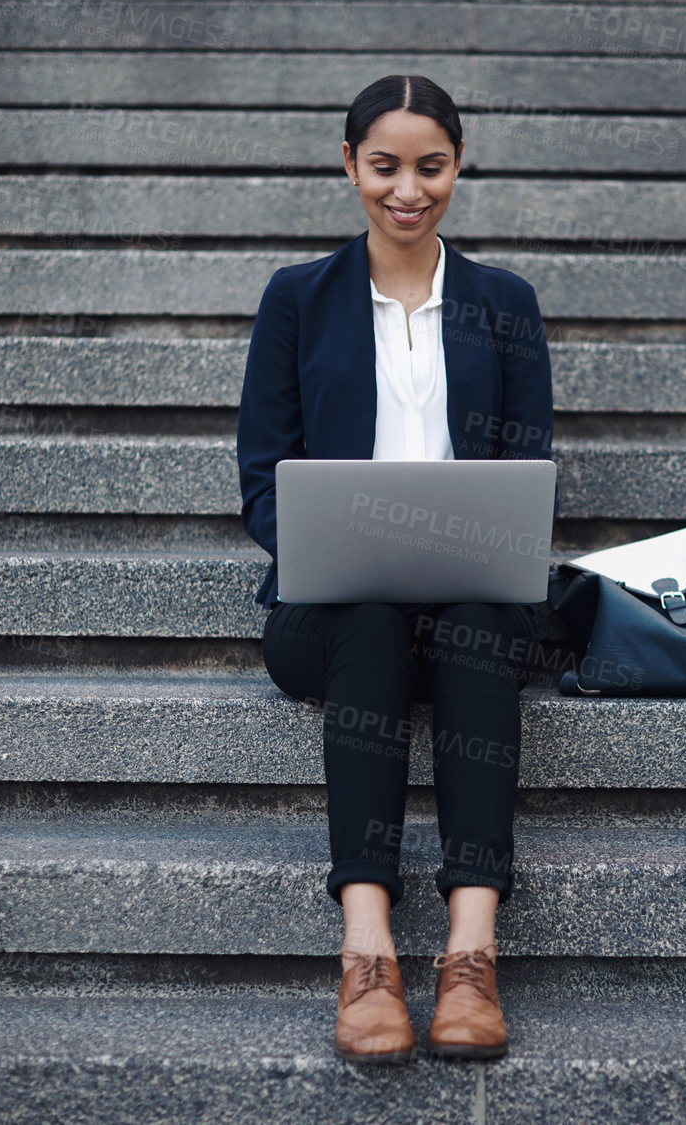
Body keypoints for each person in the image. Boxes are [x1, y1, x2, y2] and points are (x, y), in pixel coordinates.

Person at [236, 74, 556, 1064]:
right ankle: (367, 953)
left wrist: (481, 543)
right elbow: (260, 479)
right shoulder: (299, 300)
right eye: (385, 166)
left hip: (467, 605)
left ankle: (470, 955)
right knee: (371, 613)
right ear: (349, 166)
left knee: (468, 616)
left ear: (458, 166)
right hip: (333, 616)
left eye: (431, 166)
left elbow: (528, 469)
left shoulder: (506, 304)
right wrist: (332, 541)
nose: (407, 189)